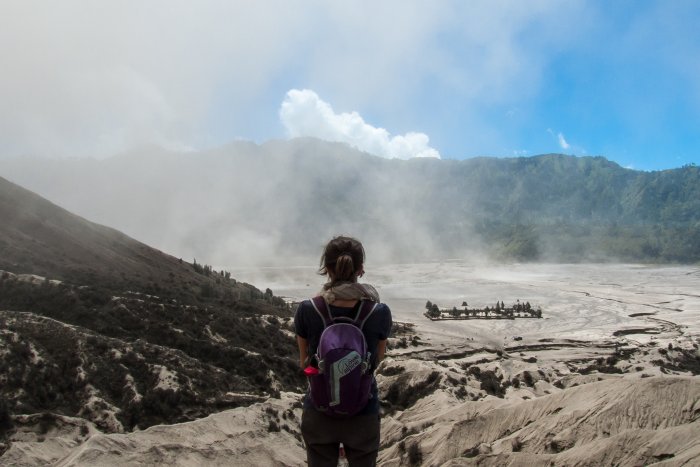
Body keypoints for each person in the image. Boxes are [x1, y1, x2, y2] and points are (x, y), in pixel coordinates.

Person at [294, 236, 392, 467]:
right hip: (363, 410)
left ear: (326, 269)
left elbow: (304, 363)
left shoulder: (308, 309)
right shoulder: (378, 312)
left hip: (319, 409)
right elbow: (378, 358)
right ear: (361, 269)